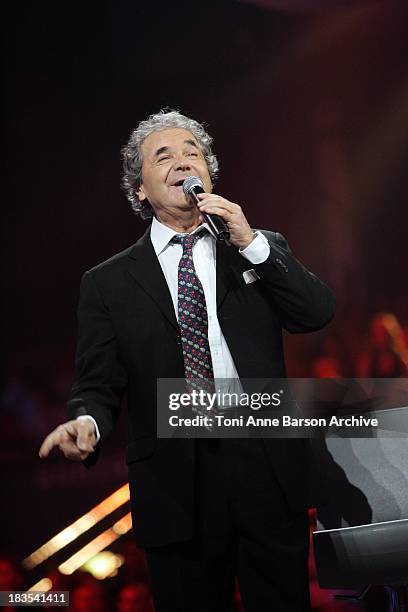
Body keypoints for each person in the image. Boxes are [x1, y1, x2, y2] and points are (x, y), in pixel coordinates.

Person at [39, 110, 335, 611]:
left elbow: (316, 312)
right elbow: (99, 380)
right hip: (175, 480)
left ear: (209, 175)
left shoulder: (254, 249)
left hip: (263, 464)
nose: (182, 162)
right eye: (164, 155)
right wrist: (86, 419)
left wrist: (253, 242)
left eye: (192, 153)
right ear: (140, 188)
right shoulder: (107, 283)